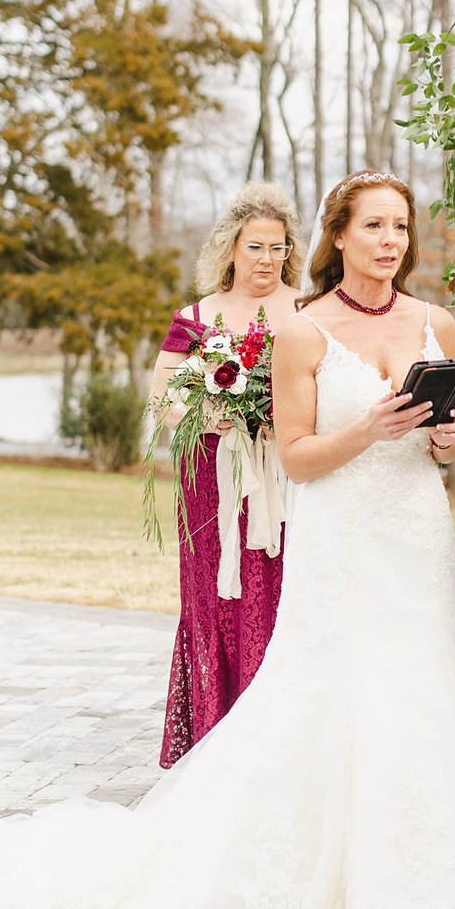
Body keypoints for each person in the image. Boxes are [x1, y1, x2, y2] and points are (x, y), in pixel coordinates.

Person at [0, 169, 455, 909]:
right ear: (337, 237)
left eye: (400, 228)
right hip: (340, 535)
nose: (390, 242)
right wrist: (372, 429)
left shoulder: (436, 325)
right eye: (374, 226)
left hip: (415, 532)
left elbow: (448, 443)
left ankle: (416, 870)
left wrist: (448, 441)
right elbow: (300, 459)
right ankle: (296, 869)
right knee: (324, 688)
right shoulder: (303, 331)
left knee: (416, 684)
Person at [150, 184, 303, 768]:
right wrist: (206, 413)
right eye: (254, 246)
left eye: (276, 247)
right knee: (216, 600)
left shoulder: (307, 309)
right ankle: (213, 746)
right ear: (231, 248)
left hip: (284, 479)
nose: (266, 259)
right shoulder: (195, 317)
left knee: (281, 597)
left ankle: (279, 746)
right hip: (210, 485)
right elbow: (161, 399)